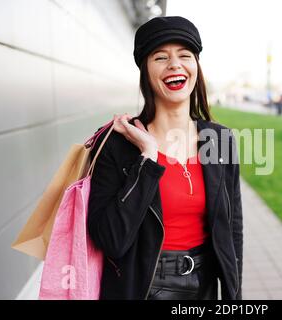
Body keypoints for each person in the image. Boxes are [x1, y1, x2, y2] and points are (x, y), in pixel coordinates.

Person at [87, 16, 243, 300]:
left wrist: (235, 294)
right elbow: (110, 240)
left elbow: (232, 229)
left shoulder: (220, 140)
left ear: (196, 67)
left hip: (205, 285)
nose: (174, 64)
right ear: (145, 71)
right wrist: (147, 159)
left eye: (185, 55)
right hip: (143, 287)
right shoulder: (117, 142)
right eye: (161, 57)